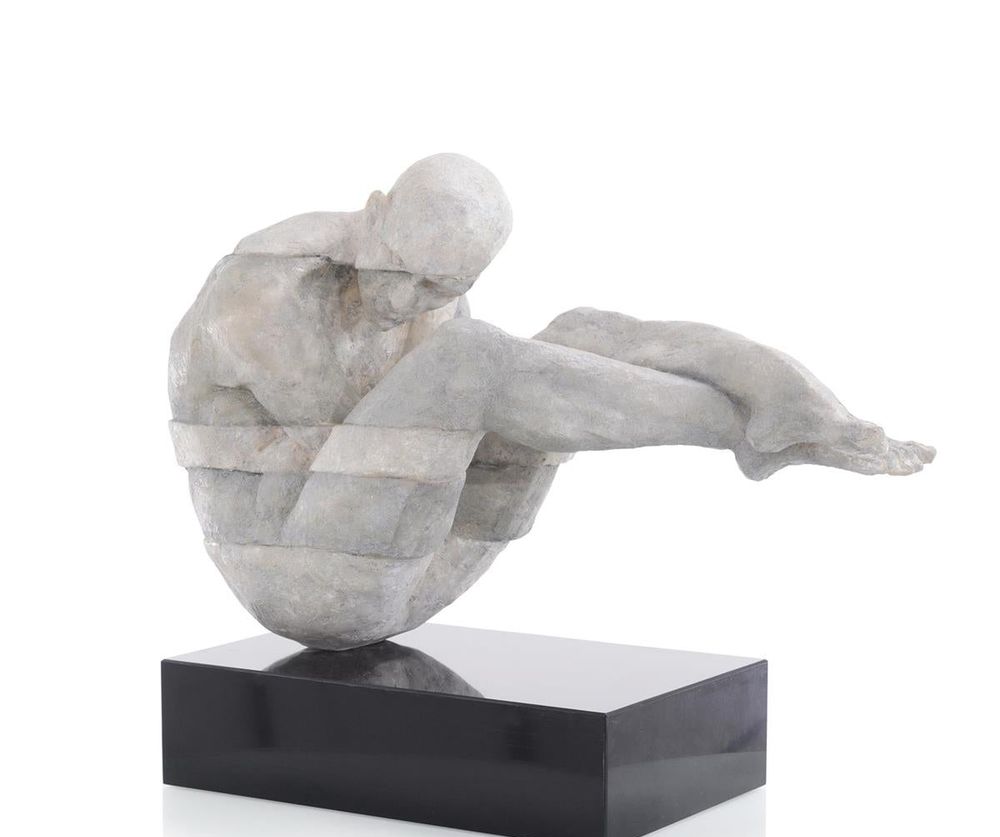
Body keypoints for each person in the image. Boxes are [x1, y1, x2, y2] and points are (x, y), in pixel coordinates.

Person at [169, 154, 934, 649]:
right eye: (401, 270)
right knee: (477, 358)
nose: (408, 301)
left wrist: (532, 388)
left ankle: (786, 398)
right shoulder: (266, 286)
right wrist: (510, 393)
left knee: (577, 332)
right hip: (308, 584)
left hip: (428, 565)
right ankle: (750, 430)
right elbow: (363, 434)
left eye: (442, 286)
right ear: (374, 210)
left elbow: (440, 432)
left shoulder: (432, 299)